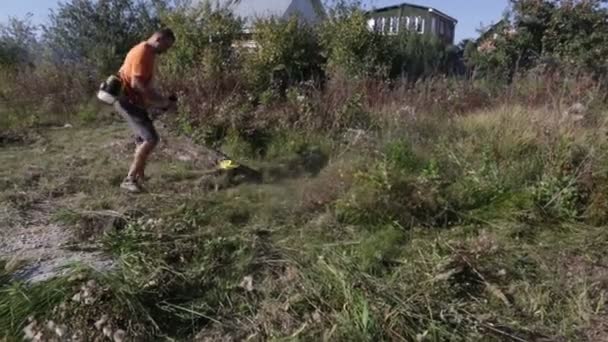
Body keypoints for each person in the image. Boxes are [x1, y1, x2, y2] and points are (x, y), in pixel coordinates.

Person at [114, 28, 176, 193]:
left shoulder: (145, 51)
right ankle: (129, 180)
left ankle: (139, 175)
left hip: (132, 100)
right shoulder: (143, 52)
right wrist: (162, 102)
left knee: (142, 139)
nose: (165, 51)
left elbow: (144, 85)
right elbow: (137, 84)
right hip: (127, 101)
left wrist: (161, 101)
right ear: (159, 39)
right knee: (151, 139)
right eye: (166, 46)